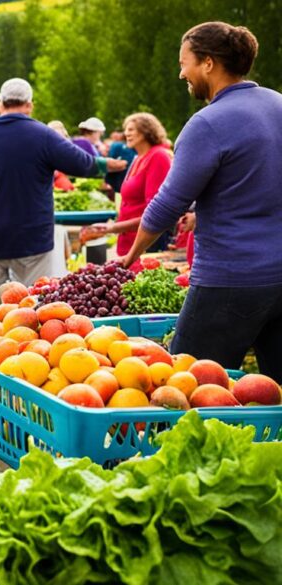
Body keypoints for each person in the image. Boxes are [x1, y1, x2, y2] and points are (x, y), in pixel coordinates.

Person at [120, 22, 282, 380]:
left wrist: (131, 256)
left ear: (208, 63)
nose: (182, 74)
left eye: (185, 63)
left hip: (230, 281)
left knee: (186, 387)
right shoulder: (277, 103)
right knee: (275, 393)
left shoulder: (207, 123)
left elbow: (167, 204)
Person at [0, 78, 127, 292]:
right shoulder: (43, 134)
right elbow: (82, 164)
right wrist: (108, 165)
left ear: (0, 104)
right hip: (31, 239)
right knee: (34, 307)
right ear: (29, 104)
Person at [84, 113, 173, 262]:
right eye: (126, 129)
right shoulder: (138, 158)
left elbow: (156, 213)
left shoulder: (158, 157)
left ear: (146, 130)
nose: (126, 133)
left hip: (146, 243)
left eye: (131, 129)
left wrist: (113, 228)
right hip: (128, 239)